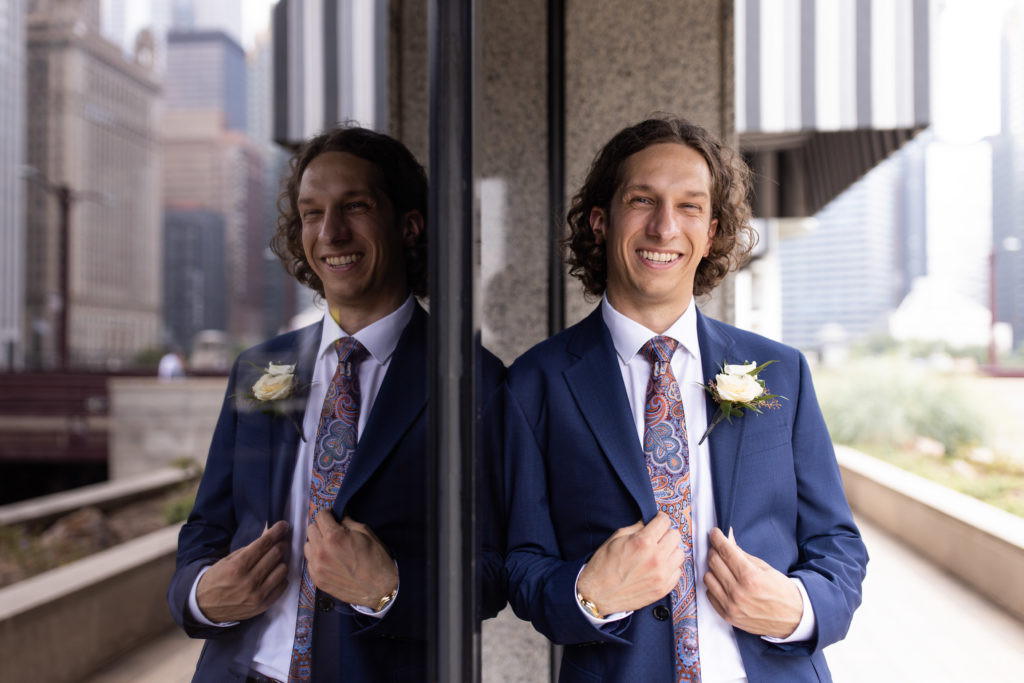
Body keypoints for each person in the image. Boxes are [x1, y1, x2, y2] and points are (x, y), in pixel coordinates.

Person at [503, 117, 867, 682]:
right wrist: (587, 595)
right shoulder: (535, 382)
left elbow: (837, 544)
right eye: (643, 199)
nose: (664, 226)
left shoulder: (782, 372)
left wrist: (800, 610)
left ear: (713, 231)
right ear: (601, 221)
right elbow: (521, 566)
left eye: (690, 206)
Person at [167, 125, 504, 682]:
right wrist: (202, 596)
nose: (331, 232)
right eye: (310, 213)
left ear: (409, 225)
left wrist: (389, 590)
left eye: (355, 206)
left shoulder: (473, 383)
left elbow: (494, 572)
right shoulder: (263, 371)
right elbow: (206, 529)